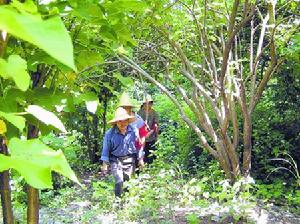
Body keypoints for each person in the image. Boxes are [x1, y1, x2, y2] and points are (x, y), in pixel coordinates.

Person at [100, 107, 143, 197]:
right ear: (116, 122)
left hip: (130, 160)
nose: (123, 123)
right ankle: (117, 201)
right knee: (119, 181)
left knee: (127, 181)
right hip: (116, 160)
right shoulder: (110, 134)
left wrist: (140, 158)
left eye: (125, 121)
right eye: (120, 121)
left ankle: (126, 201)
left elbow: (139, 146)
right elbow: (106, 149)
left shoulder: (134, 130)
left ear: (128, 121)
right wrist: (105, 165)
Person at [118, 92, 148, 167]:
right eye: (123, 108)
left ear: (130, 108)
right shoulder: (118, 119)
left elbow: (142, 137)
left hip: (134, 150)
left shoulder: (138, 120)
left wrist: (140, 156)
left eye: (126, 107)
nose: (124, 110)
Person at [138, 94, 159, 164]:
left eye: (150, 103)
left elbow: (155, 124)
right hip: (140, 138)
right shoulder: (139, 113)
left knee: (151, 155)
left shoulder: (154, 113)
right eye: (146, 103)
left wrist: (151, 132)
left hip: (151, 137)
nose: (148, 105)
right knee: (141, 153)